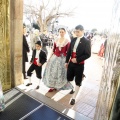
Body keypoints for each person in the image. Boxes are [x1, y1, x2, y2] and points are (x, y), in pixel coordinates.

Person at [65, 25, 91, 105]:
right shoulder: (73, 39)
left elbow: (88, 54)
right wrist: (66, 61)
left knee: (78, 81)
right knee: (69, 78)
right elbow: (69, 51)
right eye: (75, 31)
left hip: (79, 64)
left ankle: (74, 98)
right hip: (71, 63)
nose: (76, 33)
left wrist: (77, 59)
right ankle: (74, 88)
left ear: (83, 31)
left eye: (78, 32)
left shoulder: (87, 41)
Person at [42, 28, 73, 92]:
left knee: (61, 72)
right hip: (55, 57)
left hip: (63, 58)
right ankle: (52, 86)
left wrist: (68, 61)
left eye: (62, 32)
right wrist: (49, 58)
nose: (61, 33)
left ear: (65, 32)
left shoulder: (67, 41)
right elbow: (53, 50)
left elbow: (68, 52)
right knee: (53, 71)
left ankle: (59, 86)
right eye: (60, 32)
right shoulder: (56, 39)